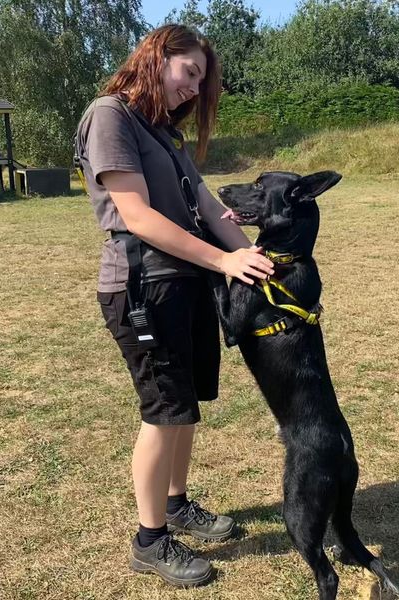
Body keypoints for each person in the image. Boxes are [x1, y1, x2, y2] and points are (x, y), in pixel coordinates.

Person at [75, 24, 274, 587]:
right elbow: (136, 216)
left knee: (185, 408)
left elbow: (208, 208)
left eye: (200, 83)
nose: (192, 89)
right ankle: (150, 540)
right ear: (158, 57)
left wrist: (254, 258)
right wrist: (224, 263)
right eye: (189, 73)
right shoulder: (109, 115)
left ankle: (177, 503)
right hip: (141, 289)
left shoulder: (163, 132)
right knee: (163, 414)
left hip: (184, 284)